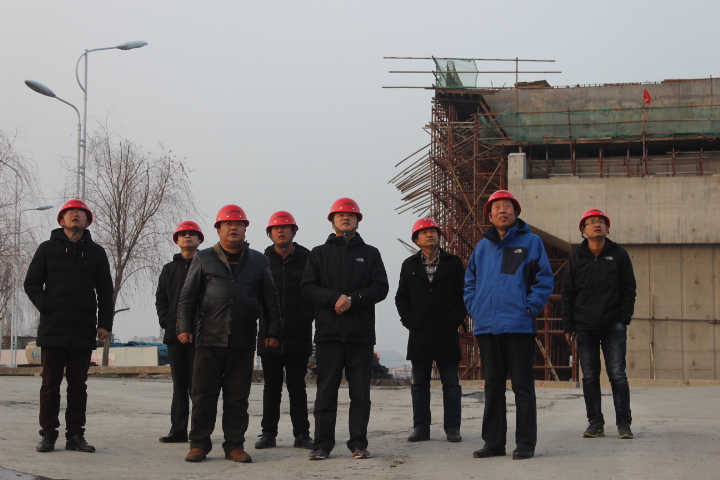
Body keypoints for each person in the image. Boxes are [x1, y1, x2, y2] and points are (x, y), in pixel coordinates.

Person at [176, 205, 281, 464]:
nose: (233, 228)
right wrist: (184, 327)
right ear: (218, 229)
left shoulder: (259, 261)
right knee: (203, 395)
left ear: (245, 229)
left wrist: (272, 331)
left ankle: (234, 445)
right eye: (227, 224)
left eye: (238, 224)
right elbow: (188, 297)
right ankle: (199, 444)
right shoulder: (204, 258)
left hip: (242, 340)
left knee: (237, 397)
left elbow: (270, 300)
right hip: (208, 339)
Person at [464, 190, 554, 461]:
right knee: (493, 387)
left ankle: (525, 443)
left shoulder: (531, 242)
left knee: (523, 387)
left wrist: (530, 307)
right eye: (497, 207)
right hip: (487, 327)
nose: (502, 211)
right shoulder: (482, 247)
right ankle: (493, 443)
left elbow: (544, 279)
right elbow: (470, 282)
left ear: (516, 212)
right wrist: (475, 308)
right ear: (490, 215)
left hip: (518, 325)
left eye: (507, 206)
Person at [301, 197, 389, 460]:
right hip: (328, 334)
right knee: (325, 393)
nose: (345, 218)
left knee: (360, 394)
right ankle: (321, 445)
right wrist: (334, 299)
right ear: (332, 221)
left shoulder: (370, 253)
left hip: (360, 336)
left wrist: (352, 299)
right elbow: (307, 287)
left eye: (351, 215)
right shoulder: (319, 253)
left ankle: (358, 444)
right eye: (340, 215)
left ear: (358, 220)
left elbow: (380, 288)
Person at [24, 199, 114, 454]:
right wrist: (47, 305)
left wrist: (104, 324)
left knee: (78, 386)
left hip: (83, 329)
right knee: (50, 384)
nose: (76, 215)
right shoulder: (46, 249)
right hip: (53, 327)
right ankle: (48, 434)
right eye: (70, 212)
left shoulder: (96, 252)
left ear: (88, 220)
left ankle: (75, 435)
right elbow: (31, 284)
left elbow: (105, 291)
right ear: (61, 219)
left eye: (81, 213)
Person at [562, 208, 637, 439]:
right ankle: (595, 423)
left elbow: (629, 288)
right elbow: (568, 293)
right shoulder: (576, 257)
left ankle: (624, 423)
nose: (597, 224)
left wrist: (623, 319)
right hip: (584, 326)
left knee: (617, 374)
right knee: (590, 376)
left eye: (601, 221)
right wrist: (569, 326)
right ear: (583, 230)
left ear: (607, 228)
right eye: (591, 222)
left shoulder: (619, 255)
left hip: (613, 325)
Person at [395, 218, 466, 443]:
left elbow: (462, 295)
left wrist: (454, 319)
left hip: (447, 332)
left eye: (433, 231)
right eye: (424, 232)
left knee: (451, 384)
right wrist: (410, 321)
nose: (429, 235)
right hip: (420, 333)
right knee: (419, 385)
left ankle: (452, 428)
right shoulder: (409, 265)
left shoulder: (453, 262)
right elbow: (401, 297)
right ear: (416, 239)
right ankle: (421, 428)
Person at [254, 211, 314, 450]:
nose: (280, 231)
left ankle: (302, 434)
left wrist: (308, 318)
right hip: (269, 333)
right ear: (269, 233)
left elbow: (315, 293)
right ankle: (268, 433)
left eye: (285, 227)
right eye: (275, 228)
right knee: (271, 386)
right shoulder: (260, 260)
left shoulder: (308, 259)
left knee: (297, 386)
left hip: (299, 332)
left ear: (294, 231)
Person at [155, 221, 204, 443]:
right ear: (177, 240)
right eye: (183, 234)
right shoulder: (169, 269)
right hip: (174, 336)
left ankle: (199, 431)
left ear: (200, 240)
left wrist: (194, 327)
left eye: (192, 234)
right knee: (179, 385)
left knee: (198, 386)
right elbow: (161, 299)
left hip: (199, 336)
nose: (187, 237)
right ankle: (178, 430)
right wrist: (168, 323)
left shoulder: (206, 266)